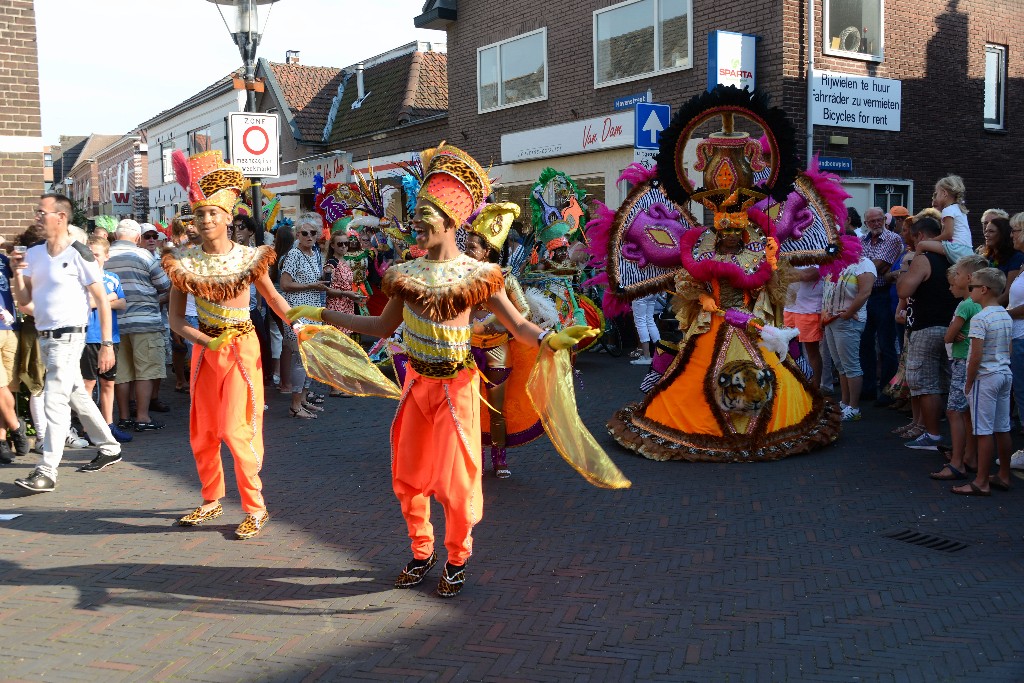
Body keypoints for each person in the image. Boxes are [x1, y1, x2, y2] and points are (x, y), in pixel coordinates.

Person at [285, 143, 599, 597]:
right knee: (408, 478)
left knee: (456, 483)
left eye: (425, 212)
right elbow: (379, 325)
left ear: (452, 220)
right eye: (416, 211)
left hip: (458, 386)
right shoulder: (404, 273)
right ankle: (421, 550)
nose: (415, 220)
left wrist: (550, 339)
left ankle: (456, 557)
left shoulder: (480, 275)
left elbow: (519, 324)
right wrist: (321, 316)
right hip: (417, 387)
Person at [164, 149, 295, 539]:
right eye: (199, 213)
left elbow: (274, 300)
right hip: (206, 351)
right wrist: (206, 340)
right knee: (203, 430)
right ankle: (211, 499)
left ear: (227, 217)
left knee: (236, 429)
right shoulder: (183, 262)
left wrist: (302, 324)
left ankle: (256, 506)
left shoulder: (250, 258)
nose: (205, 220)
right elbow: (175, 319)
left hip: (241, 349)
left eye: (212, 213)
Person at [9, 193, 122, 492]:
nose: (37, 217)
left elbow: (102, 300)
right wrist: (18, 273)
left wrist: (107, 343)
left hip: (70, 335)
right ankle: (110, 447)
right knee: (75, 394)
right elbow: (24, 302)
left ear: (60, 217)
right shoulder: (33, 255)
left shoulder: (79, 253)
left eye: (41, 212)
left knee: (55, 399)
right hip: (46, 337)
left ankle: (47, 470)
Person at [897, 215, 960, 450]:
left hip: (926, 328)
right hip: (951, 327)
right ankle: (954, 437)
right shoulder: (955, 258)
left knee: (925, 384)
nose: (911, 242)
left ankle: (932, 436)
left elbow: (904, 290)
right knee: (949, 383)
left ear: (921, 236)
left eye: (913, 237)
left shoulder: (923, 259)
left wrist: (905, 267)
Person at [952, 267, 1014, 496]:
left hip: (985, 377)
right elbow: (1008, 348)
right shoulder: (1004, 314)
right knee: (1002, 427)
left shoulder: (980, 317)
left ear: (983, 289)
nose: (970, 291)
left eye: (972, 287)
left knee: (983, 430)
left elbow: (975, 355)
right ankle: (1004, 475)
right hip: (1004, 373)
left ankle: (980, 481)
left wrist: (969, 381)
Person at [105, 219, 170, 432]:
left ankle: (123, 417)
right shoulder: (144, 255)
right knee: (146, 370)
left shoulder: (105, 256)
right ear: (137, 238)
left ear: (116, 235)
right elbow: (164, 285)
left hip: (114, 322)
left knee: (122, 373)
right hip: (145, 322)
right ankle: (142, 417)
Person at [930, 255, 987, 481]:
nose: (955, 278)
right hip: (970, 359)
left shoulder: (966, 305)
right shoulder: (980, 304)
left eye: (959, 275)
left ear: (970, 277)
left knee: (955, 410)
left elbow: (949, 336)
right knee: (967, 414)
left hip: (963, 360)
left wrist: (952, 334)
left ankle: (956, 463)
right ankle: (969, 456)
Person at [80, 234, 132, 444]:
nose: (93, 259)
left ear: (106, 256)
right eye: (89, 255)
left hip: (111, 337)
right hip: (88, 337)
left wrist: (104, 300)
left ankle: (108, 425)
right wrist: (108, 298)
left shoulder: (112, 278)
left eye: (97, 255)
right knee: (88, 384)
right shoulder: (81, 278)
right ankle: (87, 428)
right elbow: (84, 304)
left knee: (108, 382)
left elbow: (122, 303)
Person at [279, 213, 329, 419]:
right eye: (305, 233)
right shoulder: (293, 254)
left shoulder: (315, 253)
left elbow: (318, 283)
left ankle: (304, 399)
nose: (309, 236)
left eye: (313, 233)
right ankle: (295, 405)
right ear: (297, 235)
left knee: (310, 359)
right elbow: (284, 284)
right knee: (300, 359)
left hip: (313, 312)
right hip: (298, 313)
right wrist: (310, 285)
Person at [822, 241, 876, 421]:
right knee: (840, 365)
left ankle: (854, 407)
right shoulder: (837, 262)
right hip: (832, 320)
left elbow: (865, 292)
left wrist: (849, 313)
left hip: (848, 322)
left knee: (851, 365)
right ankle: (845, 403)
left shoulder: (864, 263)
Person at [858, 207, 902, 403]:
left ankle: (886, 390)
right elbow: (862, 266)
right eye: (872, 221)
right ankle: (868, 388)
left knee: (886, 345)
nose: (876, 224)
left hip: (883, 295)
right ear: (865, 224)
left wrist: (862, 269)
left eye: (879, 220)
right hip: (865, 296)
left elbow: (878, 265)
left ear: (885, 219)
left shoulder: (893, 239)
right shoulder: (861, 241)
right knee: (865, 343)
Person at [0, 244, 29, 463]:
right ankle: (17, 426)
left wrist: (9, 248)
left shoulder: (2, 259)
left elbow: (23, 267)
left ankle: (2, 441)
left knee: (9, 386)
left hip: (10, 329)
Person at [915, 175, 974, 263]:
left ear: (944, 193)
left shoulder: (948, 210)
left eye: (937, 194)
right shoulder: (959, 208)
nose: (936, 197)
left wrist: (933, 240)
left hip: (956, 248)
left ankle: (914, 267)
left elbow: (948, 234)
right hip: (967, 249)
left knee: (921, 245)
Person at [978, 216, 1022, 307]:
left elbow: (1007, 294)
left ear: (1003, 234)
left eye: (991, 231)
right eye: (986, 231)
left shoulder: (1016, 257)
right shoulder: (988, 257)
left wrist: (985, 308)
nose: (986, 234)